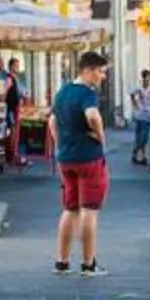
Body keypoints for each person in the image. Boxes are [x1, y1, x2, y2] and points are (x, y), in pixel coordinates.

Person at [48, 50, 110, 276]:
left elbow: (52, 122)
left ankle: (62, 262)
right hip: (88, 158)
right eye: (101, 72)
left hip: (66, 158)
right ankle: (88, 264)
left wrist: (60, 144)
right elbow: (93, 116)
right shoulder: (87, 93)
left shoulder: (62, 92)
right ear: (89, 70)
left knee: (69, 209)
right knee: (89, 210)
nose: (103, 77)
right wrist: (101, 139)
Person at [129, 74, 150, 164]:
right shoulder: (139, 87)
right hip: (139, 114)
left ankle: (136, 152)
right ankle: (142, 156)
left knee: (144, 137)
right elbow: (132, 94)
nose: (147, 80)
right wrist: (135, 105)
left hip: (148, 114)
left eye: (149, 78)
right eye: (146, 78)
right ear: (143, 78)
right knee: (139, 136)